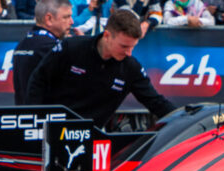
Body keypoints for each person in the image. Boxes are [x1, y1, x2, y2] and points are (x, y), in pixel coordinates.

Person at [26, 9, 176, 126]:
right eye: (124, 46)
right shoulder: (71, 47)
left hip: (93, 136)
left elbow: (156, 102)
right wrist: (35, 119)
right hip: (53, 129)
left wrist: (187, 118)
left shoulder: (130, 68)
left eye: (133, 47)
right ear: (107, 36)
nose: (129, 53)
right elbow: (38, 80)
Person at [13, 0, 73, 104]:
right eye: (66, 17)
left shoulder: (22, 44)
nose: (72, 22)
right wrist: (80, 46)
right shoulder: (53, 48)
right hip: (47, 117)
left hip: (24, 116)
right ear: (49, 19)